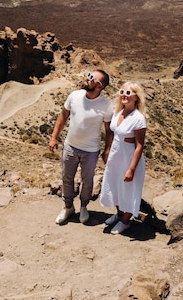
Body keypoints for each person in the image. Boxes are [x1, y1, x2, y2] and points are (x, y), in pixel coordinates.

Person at [48, 69, 114, 225]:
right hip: (70, 146)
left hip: (91, 150)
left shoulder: (105, 105)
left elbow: (109, 130)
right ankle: (68, 207)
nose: (86, 78)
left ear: (99, 86)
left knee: (87, 181)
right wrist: (53, 137)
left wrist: (107, 149)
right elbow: (63, 115)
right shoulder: (75, 96)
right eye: (88, 75)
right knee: (67, 178)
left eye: (91, 77)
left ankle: (84, 206)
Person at [100, 81, 147, 235]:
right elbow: (113, 134)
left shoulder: (138, 118)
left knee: (128, 189)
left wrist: (131, 169)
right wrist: (107, 151)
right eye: (122, 92)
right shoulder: (118, 113)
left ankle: (125, 221)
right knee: (115, 185)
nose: (124, 95)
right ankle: (119, 214)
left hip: (128, 158)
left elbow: (139, 146)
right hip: (116, 157)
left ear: (136, 97)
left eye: (128, 93)